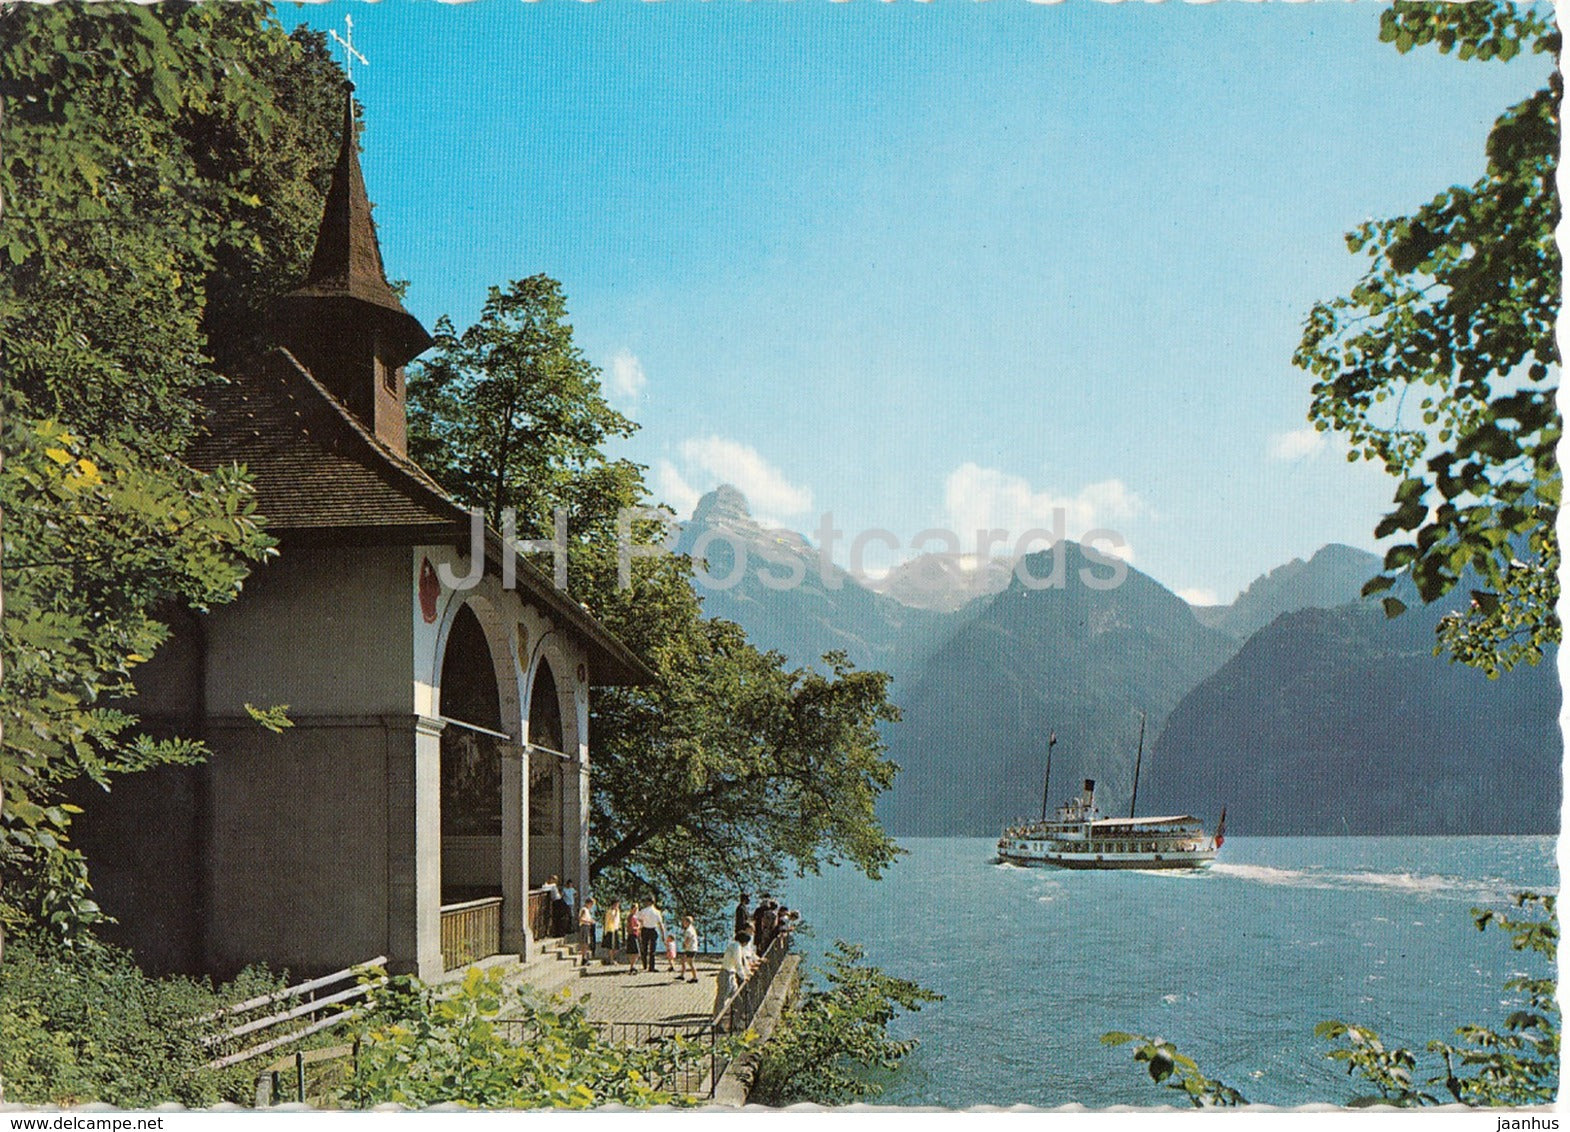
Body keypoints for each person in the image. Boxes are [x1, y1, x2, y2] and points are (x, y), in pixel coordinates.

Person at [714, 929, 752, 1021]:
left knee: (736, 996)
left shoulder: (735, 946)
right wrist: (743, 977)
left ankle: (741, 1016)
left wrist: (747, 972)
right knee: (722, 999)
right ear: (744, 941)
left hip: (731, 974)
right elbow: (738, 963)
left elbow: (742, 962)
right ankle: (718, 1020)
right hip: (726, 974)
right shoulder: (736, 947)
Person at [636, 897, 666, 973]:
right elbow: (660, 924)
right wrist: (663, 934)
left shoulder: (643, 911)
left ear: (648, 902)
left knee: (644, 947)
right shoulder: (657, 912)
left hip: (645, 929)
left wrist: (640, 926)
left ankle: (645, 964)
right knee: (652, 949)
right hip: (653, 929)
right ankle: (651, 966)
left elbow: (637, 918)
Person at [679, 915, 700, 983]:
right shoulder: (691, 929)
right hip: (691, 948)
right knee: (683, 960)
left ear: (687, 922)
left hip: (691, 949)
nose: (683, 923)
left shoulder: (688, 930)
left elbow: (688, 939)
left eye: (684, 922)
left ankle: (695, 977)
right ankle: (682, 975)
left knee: (690, 963)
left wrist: (685, 945)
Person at [577, 897, 597, 966]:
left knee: (586, 943)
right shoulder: (584, 910)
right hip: (584, 926)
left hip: (587, 926)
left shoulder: (587, 910)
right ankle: (584, 958)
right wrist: (589, 921)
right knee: (584, 943)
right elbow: (581, 919)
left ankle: (585, 957)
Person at [625, 902, 642, 975]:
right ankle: (632, 966)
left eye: (637, 909)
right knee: (636, 952)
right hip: (632, 935)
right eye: (634, 909)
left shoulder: (633, 917)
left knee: (634, 952)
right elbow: (631, 927)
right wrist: (638, 927)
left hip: (634, 934)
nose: (635, 910)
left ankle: (632, 966)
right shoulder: (631, 917)